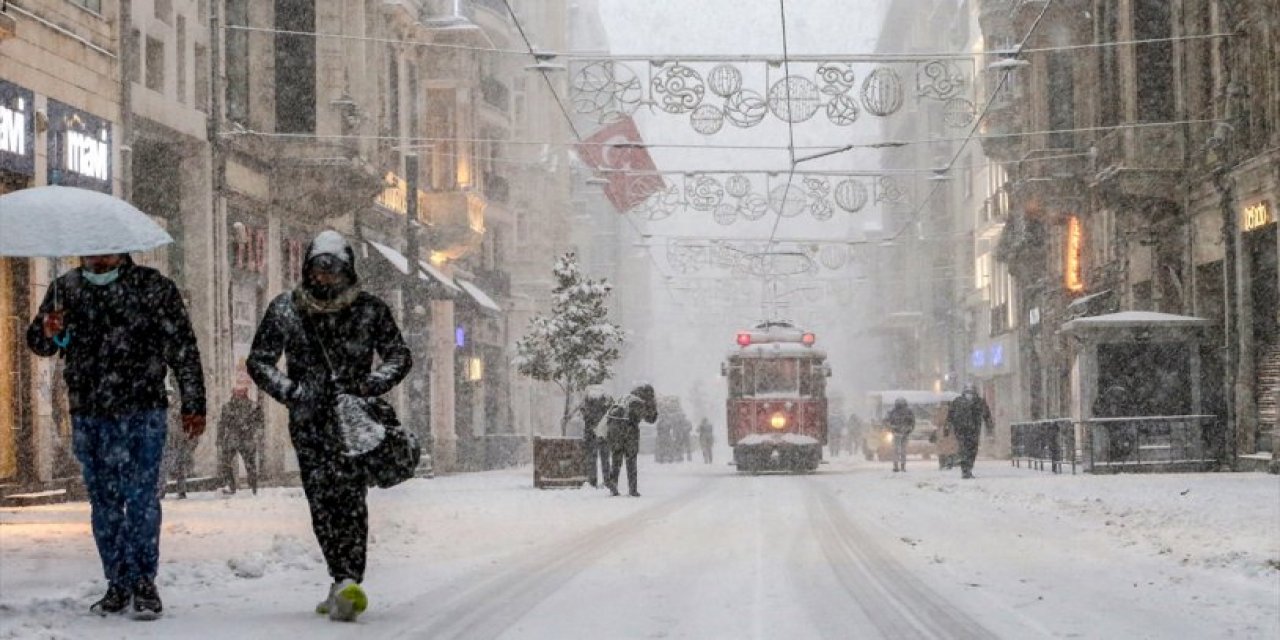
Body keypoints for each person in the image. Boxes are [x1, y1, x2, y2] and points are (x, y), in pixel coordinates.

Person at [26, 253, 206, 620]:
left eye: (104, 246)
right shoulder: (66, 289)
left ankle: (143, 581)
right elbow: (41, 344)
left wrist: (194, 402)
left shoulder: (153, 287)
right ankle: (117, 582)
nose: (96, 254)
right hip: (90, 414)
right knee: (104, 503)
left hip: (143, 411)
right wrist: (47, 329)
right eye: (89, 247)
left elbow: (183, 348)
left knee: (142, 499)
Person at [247, 231, 412, 622]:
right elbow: (260, 361)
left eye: (333, 270)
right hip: (309, 423)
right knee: (321, 502)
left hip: (353, 421)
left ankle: (348, 576)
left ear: (347, 270)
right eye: (318, 271)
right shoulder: (286, 309)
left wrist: (372, 384)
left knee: (351, 501)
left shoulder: (370, 310)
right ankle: (340, 576)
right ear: (307, 270)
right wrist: (292, 391)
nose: (325, 278)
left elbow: (398, 356)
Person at [605, 384, 658, 497]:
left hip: (614, 432)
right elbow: (650, 418)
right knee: (631, 461)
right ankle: (632, 489)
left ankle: (613, 484)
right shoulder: (638, 402)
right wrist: (652, 407)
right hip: (629, 433)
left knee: (616, 459)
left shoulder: (624, 398)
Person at [217, 381, 263, 495]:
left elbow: (260, 423)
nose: (239, 393)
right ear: (233, 392)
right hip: (232, 438)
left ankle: (253, 487)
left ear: (245, 392)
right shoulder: (227, 407)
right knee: (225, 462)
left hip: (247, 438)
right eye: (237, 391)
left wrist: (252, 429)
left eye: (241, 391)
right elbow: (222, 423)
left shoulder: (253, 406)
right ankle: (231, 486)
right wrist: (219, 437)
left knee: (250, 464)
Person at [944, 384, 994, 479]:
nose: (969, 394)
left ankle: (967, 468)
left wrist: (989, 426)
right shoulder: (958, 401)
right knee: (965, 449)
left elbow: (987, 415)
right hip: (962, 430)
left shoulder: (979, 402)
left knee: (971, 450)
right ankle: (965, 469)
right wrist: (947, 427)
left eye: (971, 392)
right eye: (968, 392)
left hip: (973, 430)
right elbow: (950, 415)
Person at [160, 383, 195, 499]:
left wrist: (187, 439)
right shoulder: (162, 409)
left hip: (179, 441)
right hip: (166, 442)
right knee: (163, 467)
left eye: (170, 394)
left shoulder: (179, 408)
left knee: (181, 466)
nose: (168, 397)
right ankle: (161, 489)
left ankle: (182, 490)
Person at [578, 385, 613, 488]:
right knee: (605, 458)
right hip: (603, 432)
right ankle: (607, 480)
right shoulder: (606, 398)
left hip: (590, 432)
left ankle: (592, 481)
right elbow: (611, 412)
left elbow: (583, 411)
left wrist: (591, 423)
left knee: (591, 458)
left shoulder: (587, 398)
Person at [885, 397, 915, 472]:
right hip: (903, 433)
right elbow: (912, 423)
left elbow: (887, 422)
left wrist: (892, 429)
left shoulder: (893, 412)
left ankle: (896, 466)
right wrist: (909, 430)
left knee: (896, 450)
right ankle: (902, 466)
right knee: (902, 451)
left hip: (897, 433)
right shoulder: (908, 411)